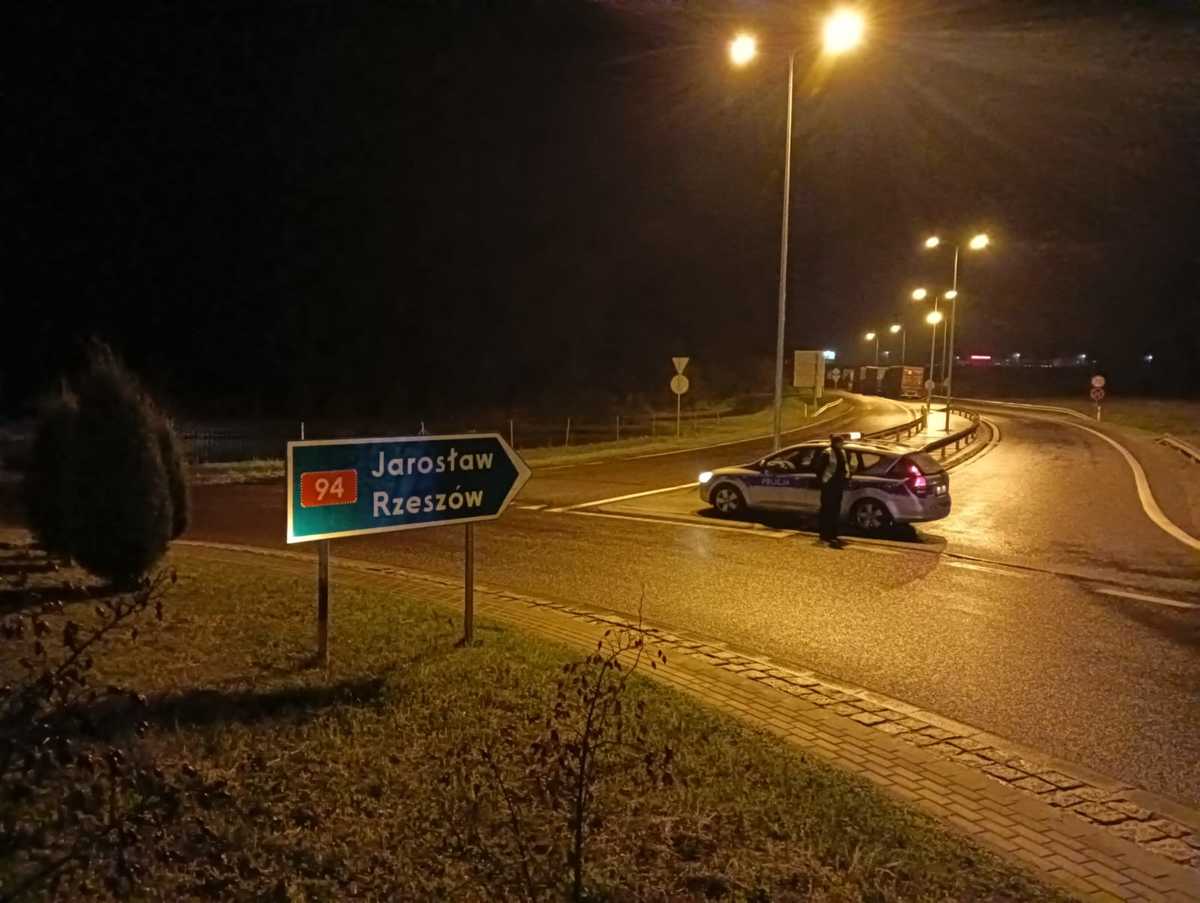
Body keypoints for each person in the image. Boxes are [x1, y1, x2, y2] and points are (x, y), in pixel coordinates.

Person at [814, 434, 850, 548]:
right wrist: (823, 482)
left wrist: (846, 478)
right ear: (835, 443)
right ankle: (825, 535)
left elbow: (845, 466)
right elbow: (819, 469)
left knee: (835, 511)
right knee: (827, 510)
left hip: (838, 485)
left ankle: (833, 535)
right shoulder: (827, 453)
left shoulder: (842, 452)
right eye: (840, 442)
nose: (842, 444)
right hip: (829, 485)